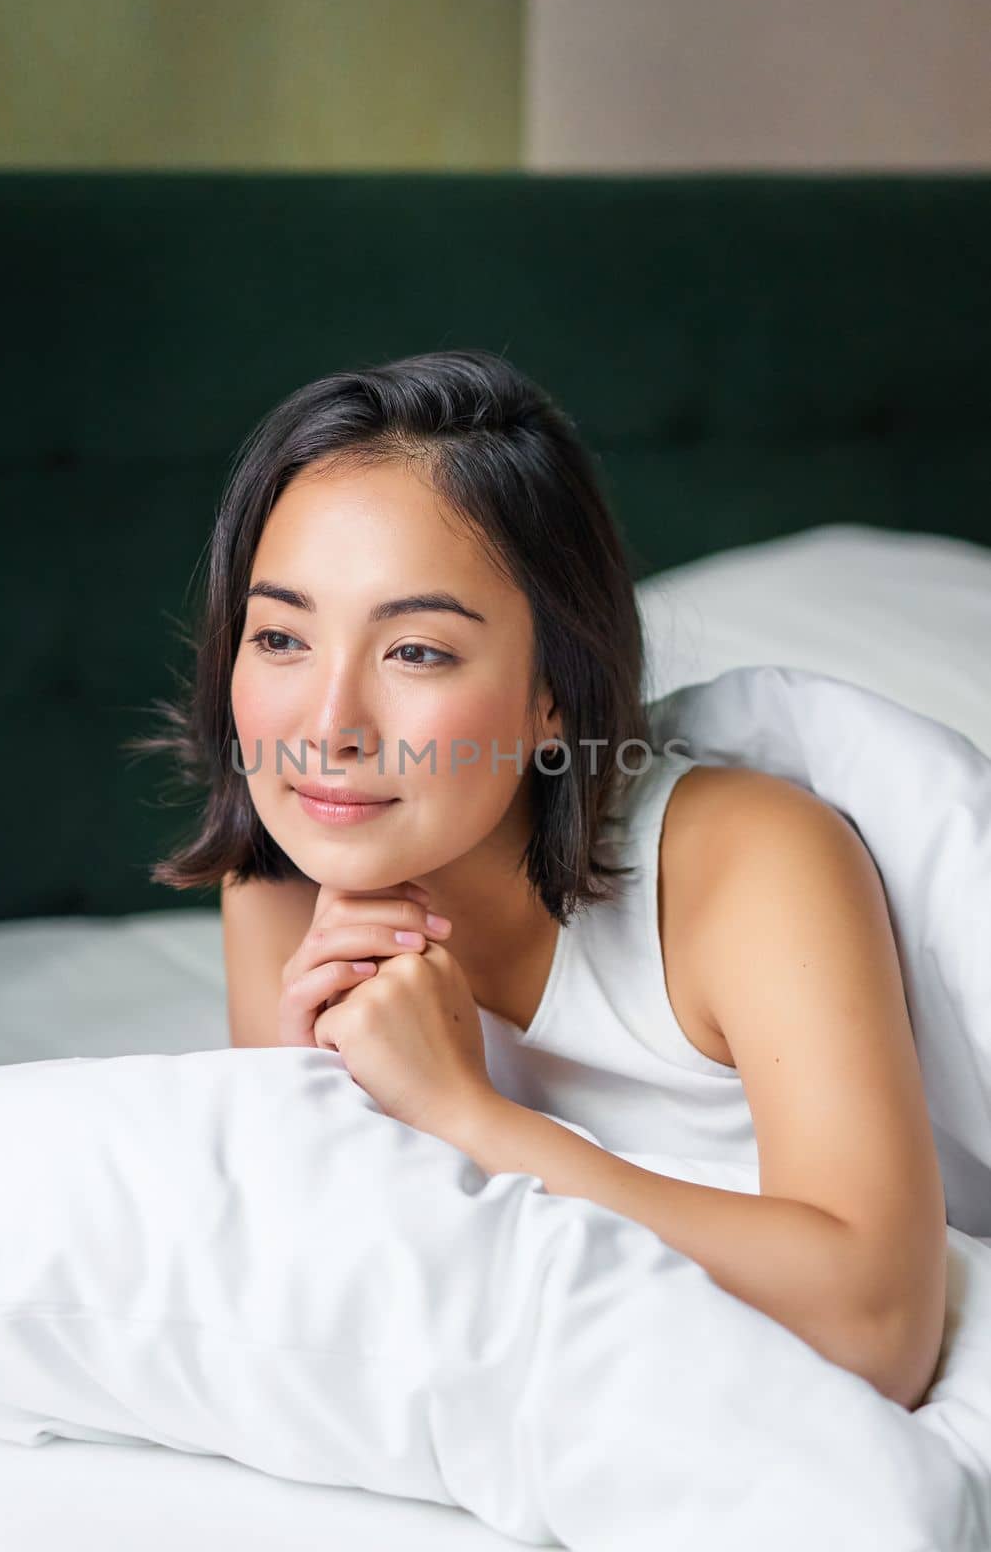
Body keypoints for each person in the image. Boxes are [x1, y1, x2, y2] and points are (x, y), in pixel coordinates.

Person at [129, 348, 946, 1412]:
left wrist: (466, 1116)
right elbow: (322, 1264)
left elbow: (878, 1326)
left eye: (415, 651)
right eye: (280, 635)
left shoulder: (746, 860)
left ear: (553, 693)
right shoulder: (283, 882)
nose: (325, 729)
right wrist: (305, 1098)